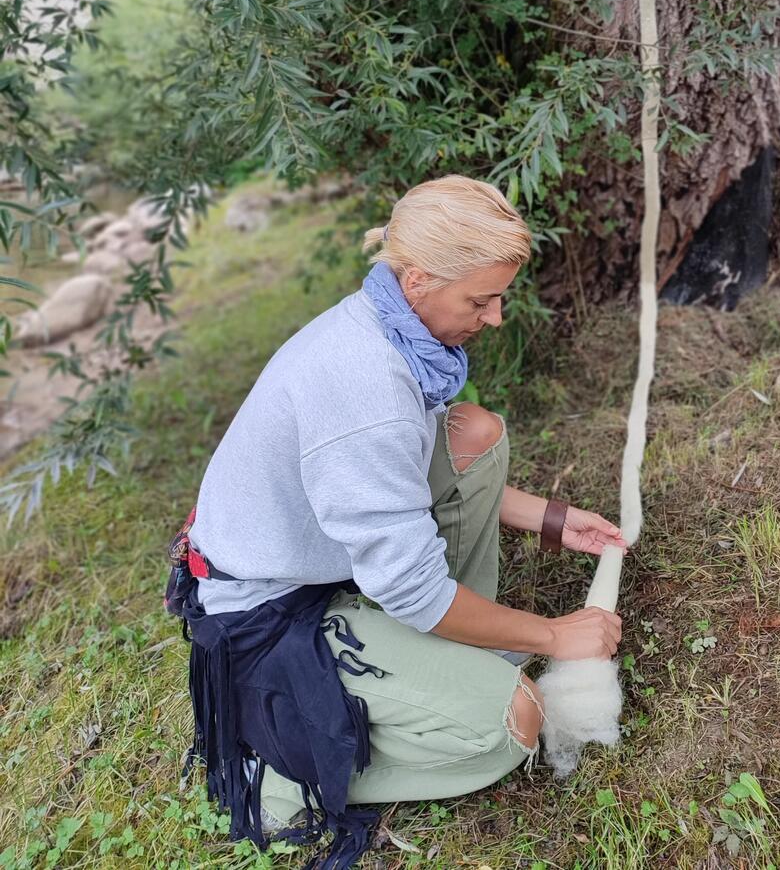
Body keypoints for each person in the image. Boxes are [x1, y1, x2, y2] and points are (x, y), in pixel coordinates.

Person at [171, 173, 627, 864]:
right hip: (266, 618)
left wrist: (554, 520)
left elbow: (401, 481)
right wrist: (555, 635)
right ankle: (285, 761)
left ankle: (455, 651)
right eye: (481, 298)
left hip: (315, 561)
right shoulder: (366, 387)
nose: (496, 315)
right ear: (417, 280)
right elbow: (412, 587)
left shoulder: (388, 328)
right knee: (516, 719)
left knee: (472, 432)